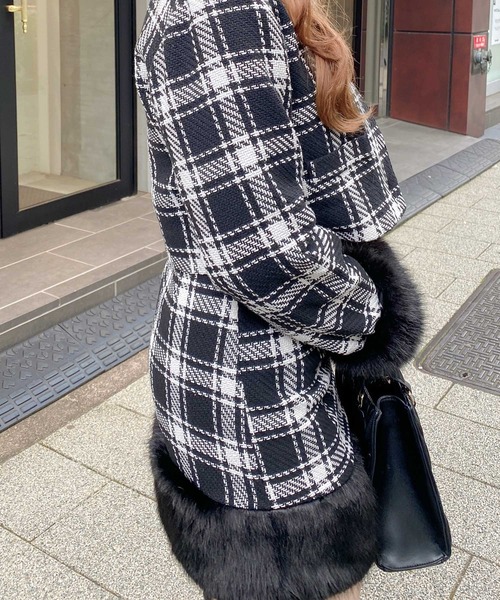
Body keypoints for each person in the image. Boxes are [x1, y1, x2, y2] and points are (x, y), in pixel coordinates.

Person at [135, 1, 423, 599]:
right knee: (303, 576)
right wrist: (371, 319)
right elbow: (260, 249)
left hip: (266, 340)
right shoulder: (216, 12)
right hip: (254, 367)